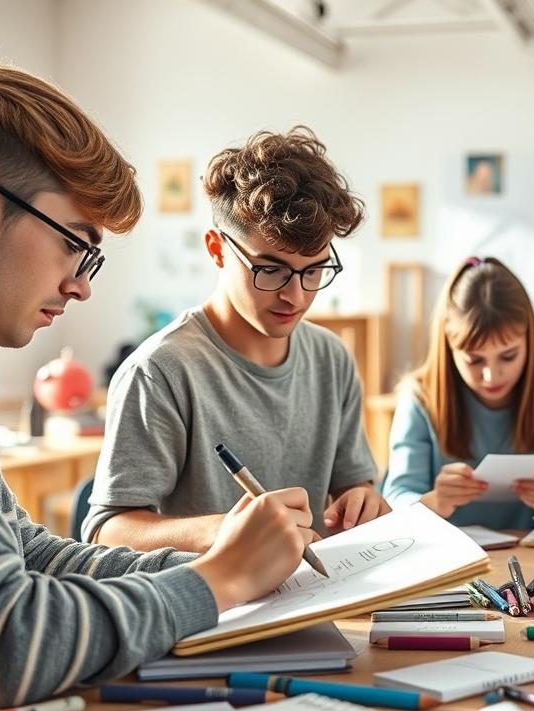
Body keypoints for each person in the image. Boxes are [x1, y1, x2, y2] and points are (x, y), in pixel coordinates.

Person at [0, 41, 312, 711]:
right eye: (75, 244)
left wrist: (222, 566)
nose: (80, 285)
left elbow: (27, 555)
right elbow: (7, 644)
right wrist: (221, 579)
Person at [84, 127, 387, 551]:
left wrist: (361, 500)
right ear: (216, 249)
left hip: (317, 589)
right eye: (271, 270)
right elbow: (107, 531)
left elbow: (353, 485)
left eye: (314, 270)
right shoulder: (160, 372)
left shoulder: (331, 358)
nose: (296, 296)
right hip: (212, 594)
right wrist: (226, 531)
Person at [381, 257, 534, 529]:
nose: (491, 375)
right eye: (474, 360)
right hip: (446, 551)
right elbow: (395, 500)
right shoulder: (420, 398)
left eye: (508, 356)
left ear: (530, 341)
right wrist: (434, 501)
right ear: (449, 348)